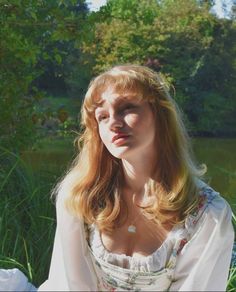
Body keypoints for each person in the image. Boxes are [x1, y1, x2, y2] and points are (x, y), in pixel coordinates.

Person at [1, 65, 234, 291]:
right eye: (102, 116)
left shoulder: (208, 215)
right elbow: (71, 285)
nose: (113, 122)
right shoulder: (80, 196)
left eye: (127, 108)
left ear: (160, 115)